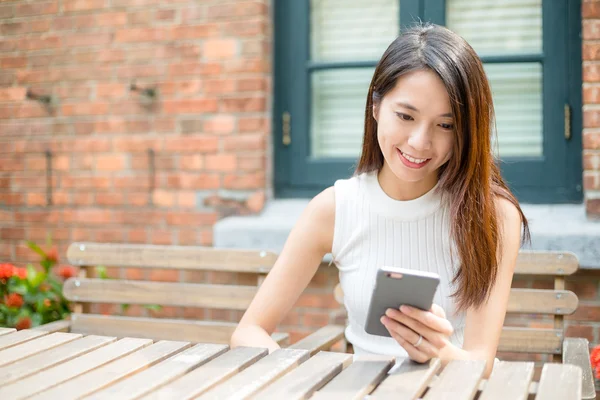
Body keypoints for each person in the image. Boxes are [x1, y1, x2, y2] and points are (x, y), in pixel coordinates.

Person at [230, 23, 530, 377]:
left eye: (445, 125)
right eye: (405, 116)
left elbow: (480, 362)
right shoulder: (335, 208)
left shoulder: (493, 215)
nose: (420, 142)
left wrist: (440, 351)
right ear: (375, 106)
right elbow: (249, 331)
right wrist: (299, 379)